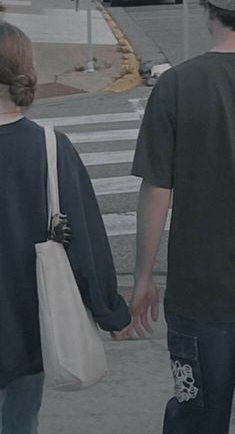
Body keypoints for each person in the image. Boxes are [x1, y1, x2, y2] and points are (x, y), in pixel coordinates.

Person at [0, 21, 131, 434]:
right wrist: (109, 310)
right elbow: (86, 241)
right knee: (21, 421)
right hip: (25, 326)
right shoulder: (50, 148)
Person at [130, 0, 235, 433]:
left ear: (205, 6)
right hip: (203, 297)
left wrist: (142, 278)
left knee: (197, 417)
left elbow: (157, 191)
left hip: (200, 293)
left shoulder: (177, 84)